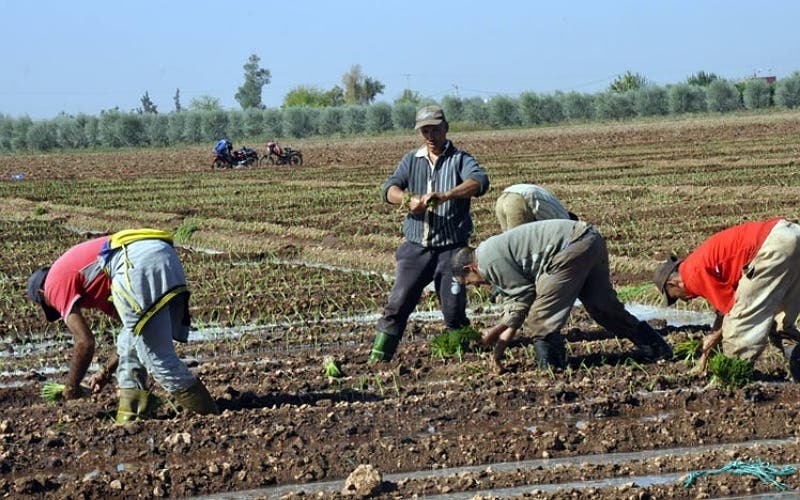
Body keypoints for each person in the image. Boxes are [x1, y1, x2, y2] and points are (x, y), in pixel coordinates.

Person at [27, 228, 219, 423]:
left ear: (43, 293)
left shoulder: (53, 283)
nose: (58, 309)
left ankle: (210, 417)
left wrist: (71, 388)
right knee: (132, 340)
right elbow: (131, 332)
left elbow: (84, 342)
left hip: (135, 262)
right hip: (160, 252)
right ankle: (132, 413)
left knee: (158, 359)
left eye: (50, 306)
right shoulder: (97, 282)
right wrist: (105, 372)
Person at [452, 219, 672, 373]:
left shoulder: (488, 262)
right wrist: (497, 352)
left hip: (571, 246)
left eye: (470, 282)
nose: (476, 286)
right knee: (603, 307)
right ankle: (656, 348)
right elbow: (516, 311)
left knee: (540, 317)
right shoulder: (488, 254)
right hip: (589, 238)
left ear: (470, 268)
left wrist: (492, 333)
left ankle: (552, 366)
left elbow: (523, 299)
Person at [368, 105, 490, 363]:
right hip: (416, 249)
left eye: (435, 129)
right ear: (419, 132)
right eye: (425, 131)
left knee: (454, 311)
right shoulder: (411, 160)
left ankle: (462, 358)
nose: (431, 136)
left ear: (446, 128)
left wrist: (446, 195)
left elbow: (479, 182)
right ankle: (378, 358)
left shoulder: (460, 159)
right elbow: (389, 189)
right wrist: (407, 199)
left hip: (453, 250)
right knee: (397, 304)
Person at [653, 217, 800, 380]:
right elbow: (723, 310)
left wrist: (710, 341)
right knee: (781, 323)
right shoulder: (698, 263)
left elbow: (731, 311)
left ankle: (733, 378)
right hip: (790, 233)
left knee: (739, 326)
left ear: (674, 283)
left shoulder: (691, 275)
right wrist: (710, 345)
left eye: (676, 297)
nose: (685, 301)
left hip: (773, 245)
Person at [495, 184, 578, 232]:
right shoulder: (565, 222)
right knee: (519, 246)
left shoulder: (558, 211)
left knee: (507, 243)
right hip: (519, 200)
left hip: (503, 197)